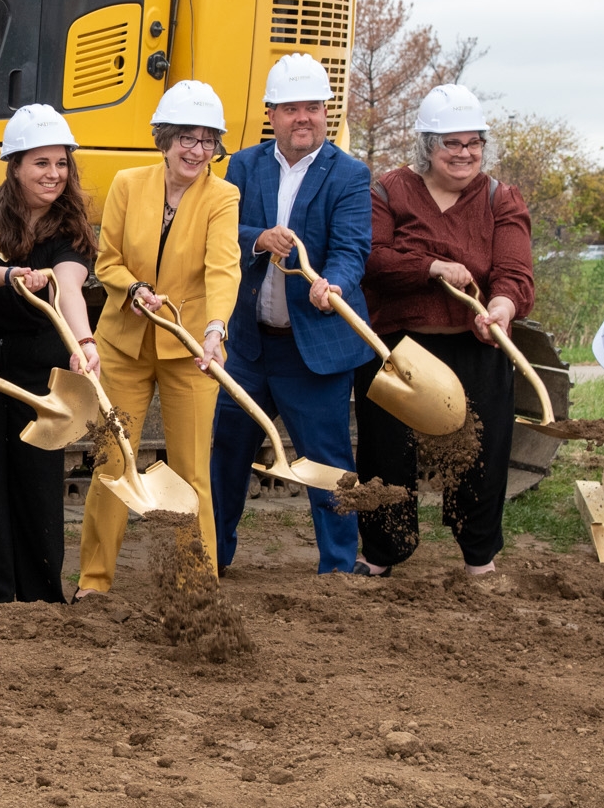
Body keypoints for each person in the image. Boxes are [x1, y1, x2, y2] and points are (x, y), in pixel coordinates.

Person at [355, 83, 535, 578]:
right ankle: (381, 555)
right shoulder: (389, 190)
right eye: (451, 143)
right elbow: (372, 258)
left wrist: (501, 306)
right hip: (401, 347)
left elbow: (514, 272)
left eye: (473, 142)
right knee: (387, 453)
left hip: (474, 345)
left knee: (481, 454)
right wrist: (433, 267)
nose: (465, 153)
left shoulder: (501, 197)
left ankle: (480, 557)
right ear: (427, 146)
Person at [210, 55, 376, 574]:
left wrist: (337, 284)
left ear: (325, 113)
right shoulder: (243, 165)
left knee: (328, 463)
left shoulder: (349, 174)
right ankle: (214, 558)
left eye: (313, 107)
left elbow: (353, 247)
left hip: (315, 347)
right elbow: (219, 234)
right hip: (249, 345)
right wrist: (258, 238)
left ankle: (339, 568)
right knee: (226, 456)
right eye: (291, 109)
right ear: (272, 115)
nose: (302, 117)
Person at [79, 80, 242, 593]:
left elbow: (223, 269)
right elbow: (108, 261)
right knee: (113, 461)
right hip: (123, 344)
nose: (197, 150)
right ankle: (95, 579)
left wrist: (215, 330)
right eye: (186, 138)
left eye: (208, 140)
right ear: (164, 139)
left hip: (191, 348)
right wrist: (135, 290)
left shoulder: (223, 196)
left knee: (192, 469)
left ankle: (197, 585)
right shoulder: (129, 183)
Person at [0, 105, 97, 605]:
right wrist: (8, 275)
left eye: (61, 163)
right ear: (14, 165)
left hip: (39, 366)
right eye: (41, 163)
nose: (54, 175)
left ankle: (41, 599)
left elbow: (69, 288)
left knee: (37, 481)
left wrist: (84, 343)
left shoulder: (70, 225)